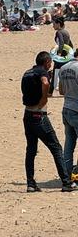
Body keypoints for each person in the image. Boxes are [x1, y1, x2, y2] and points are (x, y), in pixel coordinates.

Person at [21, 51, 75, 192]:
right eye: (50, 62)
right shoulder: (42, 73)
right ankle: (66, 182)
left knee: (31, 150)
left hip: (27, 114)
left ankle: (31, 184)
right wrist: (44, 98)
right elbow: (45, 83)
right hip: (39, 116)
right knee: (56, 148)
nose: (51, 64)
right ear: (46, 63)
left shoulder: (27, 72)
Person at [59, 50, 78, 178]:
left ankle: (67, 175)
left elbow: (60, 91)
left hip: (66, 108)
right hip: (77, 109)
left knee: (69, 144)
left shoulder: (63, 68)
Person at [52, 17, 73, 95]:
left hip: (61, 55)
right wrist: (71, 53)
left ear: (58, 24)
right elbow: (70, 44)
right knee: (66, 72)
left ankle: (50, 92)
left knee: (55, 72)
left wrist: (59, 54)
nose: (53, 26)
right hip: (67, 55)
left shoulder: (59, 32)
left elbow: (61, 43)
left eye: (54, 24)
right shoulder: (66, 32)